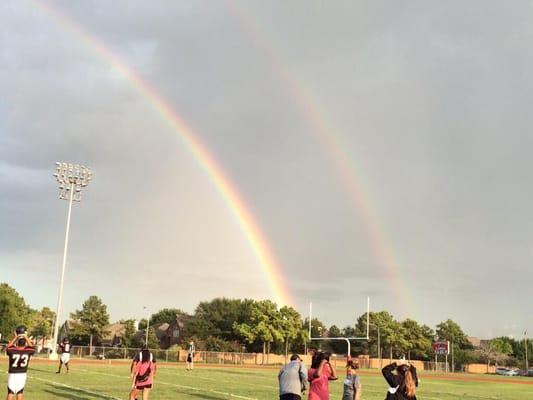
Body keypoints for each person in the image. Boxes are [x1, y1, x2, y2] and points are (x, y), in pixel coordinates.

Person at [6, 326, 35, 400]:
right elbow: (31, 347)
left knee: (10, 392)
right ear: (25, 343)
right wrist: (26, 337)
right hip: (22, 374)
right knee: (20, 392)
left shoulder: (12, 350)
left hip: (12, 373)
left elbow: (8, 347)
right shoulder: (28, 351)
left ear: (17, 343)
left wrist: (15, 337)